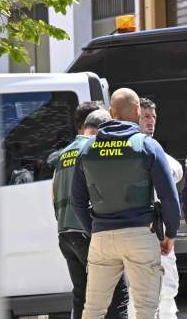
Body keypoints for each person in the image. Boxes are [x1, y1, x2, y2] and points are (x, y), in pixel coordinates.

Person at [72, 88, 181, 319]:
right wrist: (170, 234)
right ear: (137, 111)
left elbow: (77, 200)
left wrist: (94, 230)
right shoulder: (147, 146)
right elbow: (169, 196)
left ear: (111, 112)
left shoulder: (87, 149)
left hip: (102, 237)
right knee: (145, 309)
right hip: (140, 235)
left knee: (93, 310)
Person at [52, 106, 128, 319]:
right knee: (117, 293)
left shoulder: (63, 153)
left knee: (82, 296)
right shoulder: (93, 150)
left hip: (65, 234)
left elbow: (54, 195)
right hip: (88, 233)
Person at [138, 97, 183, 319]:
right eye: (146, 116)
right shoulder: (135, 149)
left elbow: (176, 170)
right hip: (140, 234)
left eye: (154, 117)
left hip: (161, 233)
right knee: (142, 297)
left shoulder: (158, 152)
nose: (151, 121)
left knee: (167, 291)